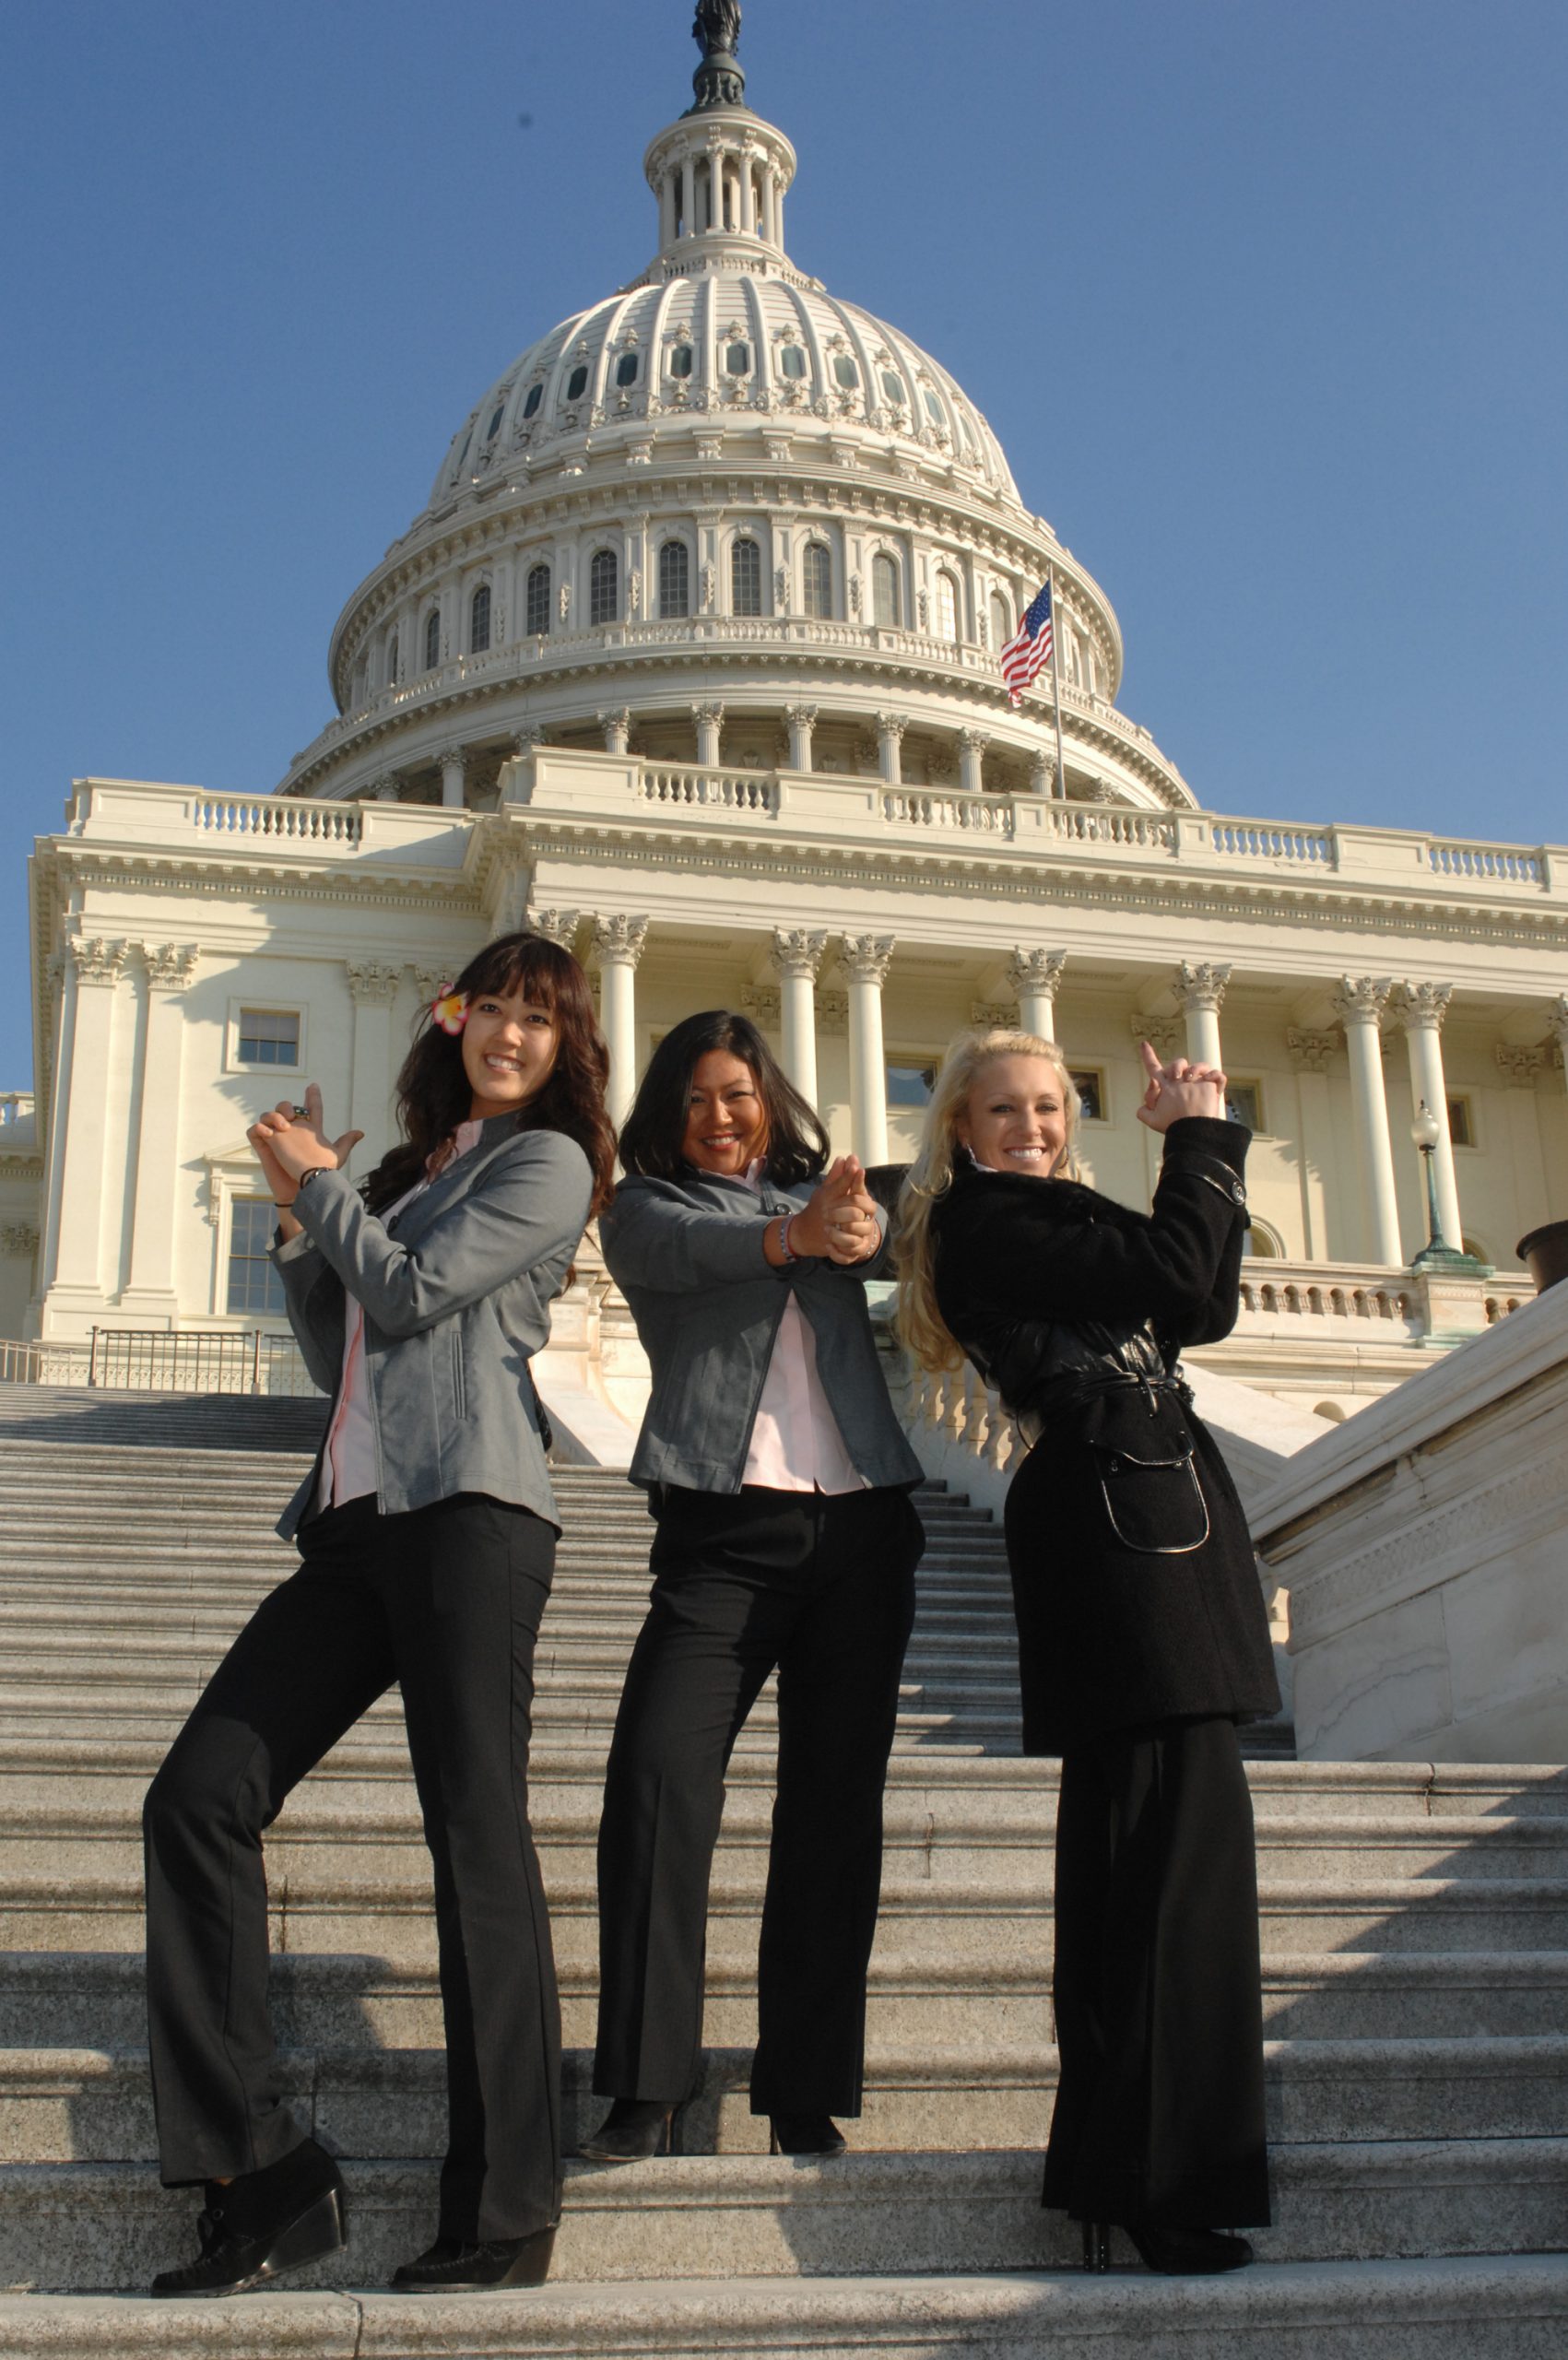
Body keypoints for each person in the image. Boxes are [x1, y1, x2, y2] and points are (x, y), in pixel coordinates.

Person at [140, 931, 615, 2298]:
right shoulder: (418, 1173)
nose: (511, 1037)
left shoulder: (551, 1164)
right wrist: (300, 1217)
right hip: (352, 1526)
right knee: (197, 1797)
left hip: (471, 1514)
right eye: (493, 1013)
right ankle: (262, 2167)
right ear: (453, 1021)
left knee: (477, 1845)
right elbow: (335, 1336)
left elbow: (409, 1299)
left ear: (564, 1042)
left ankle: (508, 2205)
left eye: (541, 1020)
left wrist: (329, 1191)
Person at [895, 1027, 1279, 2276]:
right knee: (1168, 1853)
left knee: (1155, 1847)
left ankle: (1131, 2170)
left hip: (1156, 1508)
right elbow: (1179, 1276)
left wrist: (1191, 1160)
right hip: (1119, 1524)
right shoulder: (990, 1223)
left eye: (1051, 1107)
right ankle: (1159, 2182)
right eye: (1003, 1109)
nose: (1032, 1127)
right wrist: (1198, 1140)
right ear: (959, 1128)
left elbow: (1206, 1300)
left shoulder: (1057, 1217)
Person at [581, 1009, 925, 2164]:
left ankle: (804, 2087)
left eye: (736, 1095)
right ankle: (644, 2080)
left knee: (833, 1818)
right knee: (657, 1787)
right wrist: (807, 1233)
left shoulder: (839, 1212)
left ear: (769, 1099)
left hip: (865, 1530)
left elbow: (895, 1234)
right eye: (693, 1100)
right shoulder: (645, 1209)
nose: (718, 1118)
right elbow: (699, 1256)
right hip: (722, 1534)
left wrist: (864, 1221)